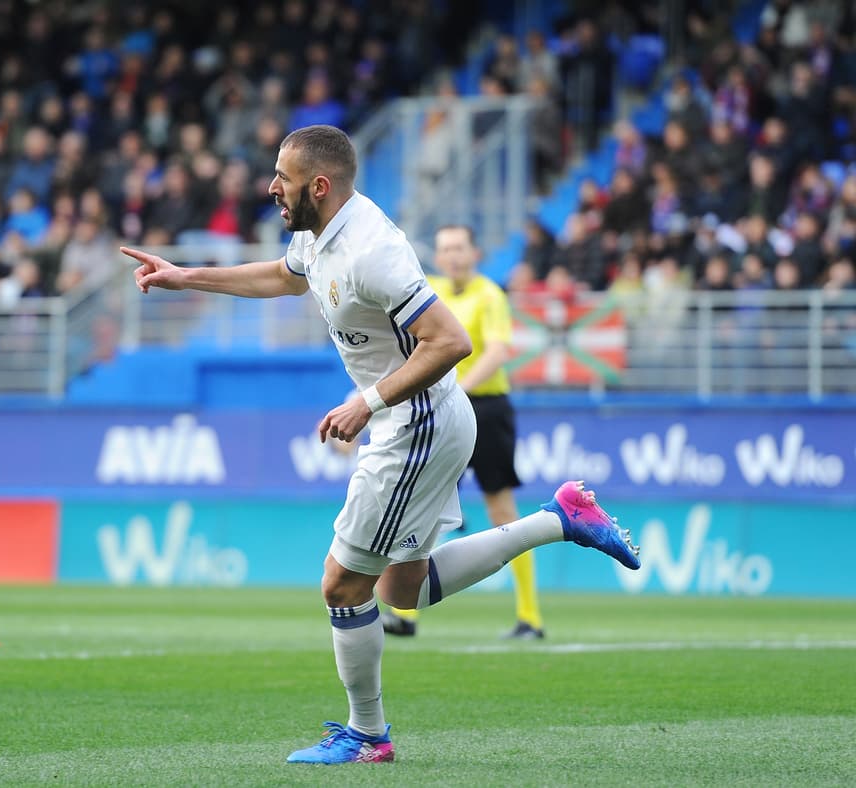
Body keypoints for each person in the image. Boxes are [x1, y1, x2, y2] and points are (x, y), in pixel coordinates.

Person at [120, 125, 640, 765]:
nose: (271, 187)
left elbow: (450, 341)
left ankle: (367, 734)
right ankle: (557, 520)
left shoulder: (373, 250)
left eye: (281, 176)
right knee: (403, 590)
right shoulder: (319, 236)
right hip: (413, 420)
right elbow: (283, 279)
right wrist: (185, 277)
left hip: (415, 423)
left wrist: (365, 403)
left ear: (319, 185)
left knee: (342, 584)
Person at [383, 225, 545, 640]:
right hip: (442, 408)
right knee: (422, 507)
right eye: (445, 249)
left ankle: (530, 616)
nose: (452, 256)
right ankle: (407, 613)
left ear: (474, 252)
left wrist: (460, 389)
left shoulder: (490, 295)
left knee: (502, 512)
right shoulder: (430, 290)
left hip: (486, 408)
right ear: (437, 257)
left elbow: (496, 351)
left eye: (459, 247)